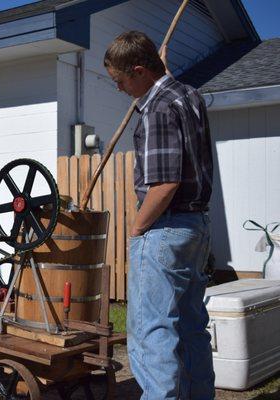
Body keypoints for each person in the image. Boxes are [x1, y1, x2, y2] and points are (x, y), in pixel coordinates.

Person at [104, 31, 215, 399]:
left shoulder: (156, 109)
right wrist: (160, 67)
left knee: (152, 333)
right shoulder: (189, 96)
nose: (119, 89)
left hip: (165, 230)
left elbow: (164, 185)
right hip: (196, 227)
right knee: (191, 327)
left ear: (139, 70)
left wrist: (136, 231)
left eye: (120, 80)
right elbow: (162, 79)